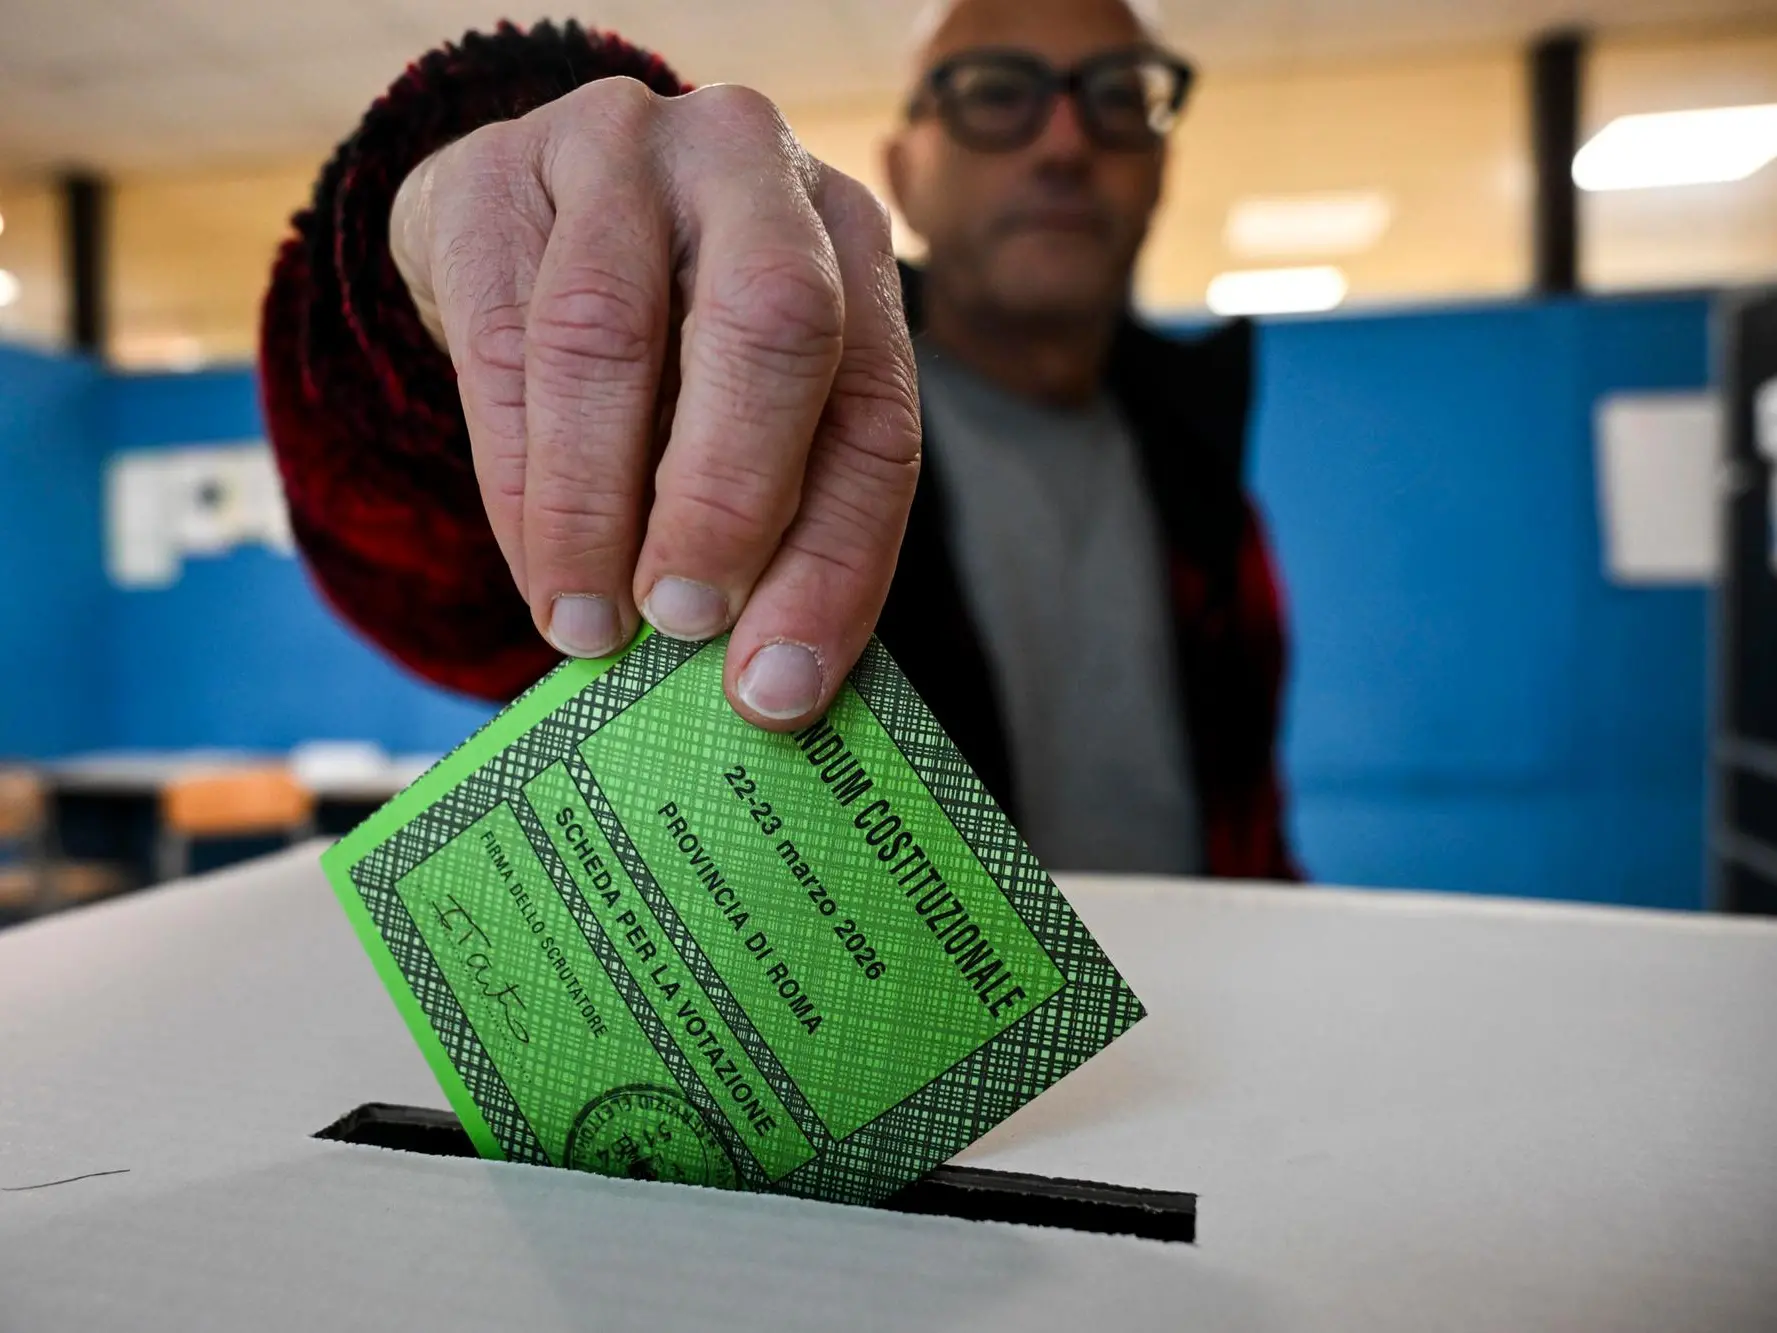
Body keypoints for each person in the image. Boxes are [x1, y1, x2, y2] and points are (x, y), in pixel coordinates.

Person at [261, 0, 1299, 879]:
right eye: (995, 93)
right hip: (888, 1080)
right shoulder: (756, 389)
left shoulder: (1196, 462)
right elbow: (433, 577)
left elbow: (1235, 806)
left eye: (1120, 97)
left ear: (1164, 164)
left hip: (1196, 1046)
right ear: (906, 165)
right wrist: (419, 268)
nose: (1066, 144)